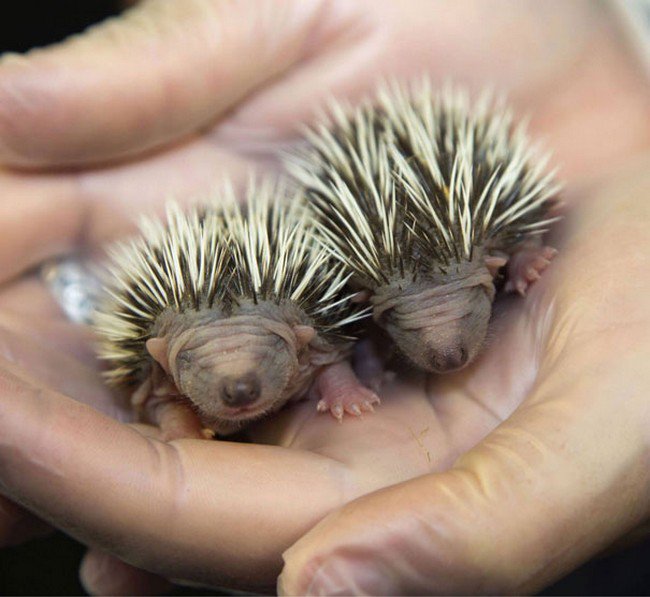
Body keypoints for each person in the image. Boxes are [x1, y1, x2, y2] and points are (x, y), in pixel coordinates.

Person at [0, 0, 648, 594]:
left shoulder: (353, 303)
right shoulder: (311, 313)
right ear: (162, 353)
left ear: (496, 264)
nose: (240, 395)